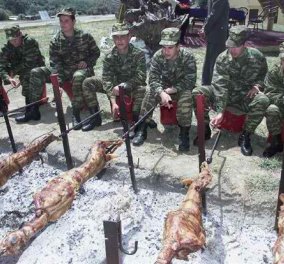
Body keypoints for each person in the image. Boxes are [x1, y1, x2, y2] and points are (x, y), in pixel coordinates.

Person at [192, 26, 269, 156]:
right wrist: (220, 111)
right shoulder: (222, 58)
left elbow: (264, 76)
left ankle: (245, 135)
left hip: (244, 96)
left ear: (244, 44)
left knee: (263, 100)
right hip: (221, 95)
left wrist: (258, 86)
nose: (231, 50)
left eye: (236, 46)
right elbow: (220, 87)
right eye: (229, 46)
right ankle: (204, 129)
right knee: (198, 92)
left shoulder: (257, 57)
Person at [15, 8, 100, 125]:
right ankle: (33, 109)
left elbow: (96, 53)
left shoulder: (85, 36)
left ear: (73, 21)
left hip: (81, 70)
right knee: (36, 72)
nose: (63, 24)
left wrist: (87, 62)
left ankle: (77, 114)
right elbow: (55, 62)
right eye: (61, 21)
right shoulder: (55, 40)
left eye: (66, 21)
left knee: (78, 75)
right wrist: (58, 80)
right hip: (62, 71)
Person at [132, 27, 197, 151]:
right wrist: (161, 92)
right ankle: (142, 129)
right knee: (150, 92)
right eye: (164, 47)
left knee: (187, 96)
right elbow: (153, 79)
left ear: (178, 46)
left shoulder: (187, 57)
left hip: (180, 90)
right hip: (162, 89)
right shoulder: (158, 56)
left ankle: (184, 134)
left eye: (170, 47)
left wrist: (173, 90)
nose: (166, 51)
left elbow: (190, 80)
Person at [81, 23, 147, 132]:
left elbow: (141, 76)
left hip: (131, 86)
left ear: (129, 36)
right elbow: (107, 79)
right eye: (116, 37)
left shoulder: (138, 54)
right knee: (88, 82)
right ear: (112, 38)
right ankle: (95, 118)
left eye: (123, 36)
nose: (119, 40)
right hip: (114, 87)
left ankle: (135, 122)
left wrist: (123, 86)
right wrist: (113, 102)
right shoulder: (109, 56)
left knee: (143, 90)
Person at [0, 25, 45, 121]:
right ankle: (1, 105)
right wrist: (7, 77)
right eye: (11, 40)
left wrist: (13, 71)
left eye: (15, 39)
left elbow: (30, 62)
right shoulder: (8, 46)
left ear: (20, 35)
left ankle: (32, 111)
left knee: (27, 75)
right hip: (20, 69)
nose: (13, 42)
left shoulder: (29, 41)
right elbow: (1, 65)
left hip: (36, 68)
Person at [199, 0, 229, 85]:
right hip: (215, 34)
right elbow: (211, 15)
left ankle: (209, 83)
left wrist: (204, 29)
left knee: (214, 61)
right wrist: (204, 28)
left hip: (217, 35)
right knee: (212, 61)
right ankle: (208, 84)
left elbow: (213, 15)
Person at [263, 42, 284, 157]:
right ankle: (277, 142)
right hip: (281, 105)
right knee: (271, 109)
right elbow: (270, 93)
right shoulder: (274, 72)